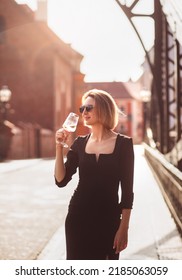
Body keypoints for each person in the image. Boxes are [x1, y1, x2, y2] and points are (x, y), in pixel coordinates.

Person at [54, 89, 134, 260]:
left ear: (104, 109)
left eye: (89, 108)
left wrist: (124, 227)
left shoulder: (124, 144)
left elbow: (127, 192)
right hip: (78, 217)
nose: (84, 112)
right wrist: (59, 147)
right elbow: (61, 180)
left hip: (109, 220)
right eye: (82, 108)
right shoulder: (79, 143)